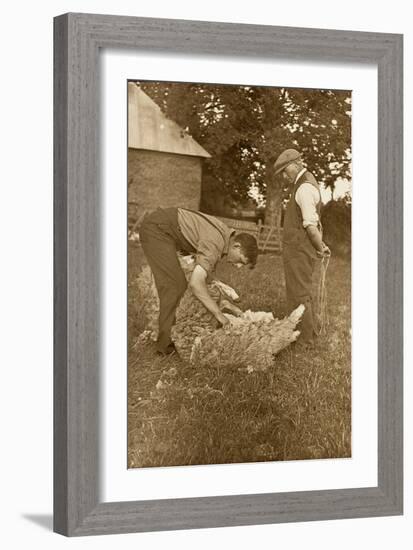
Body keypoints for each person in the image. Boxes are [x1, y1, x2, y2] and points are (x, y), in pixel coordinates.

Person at [139, 207, 259, 355]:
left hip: (166, 229)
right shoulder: (214, 244)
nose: (239, 267)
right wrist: (219, 315)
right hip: (157, 230)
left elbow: (206, 276)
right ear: (236, 246)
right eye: (241, 260)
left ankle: (173, 330)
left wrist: (230, 303)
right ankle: (164, 346)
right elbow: (196, 284)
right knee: (174, 285)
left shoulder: (224, 236)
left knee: (183, 283)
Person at [273, 149, 330, 346]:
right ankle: (304, 333)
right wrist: (320, 245)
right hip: (297, 249)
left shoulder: (304, 188)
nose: (283, 175)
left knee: (300, 292)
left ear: (296, 164)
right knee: (299, 290)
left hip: (299, 250)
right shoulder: (302, 184)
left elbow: (310, 225)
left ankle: (306, 340)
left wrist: (320, 247)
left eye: (284, 170)